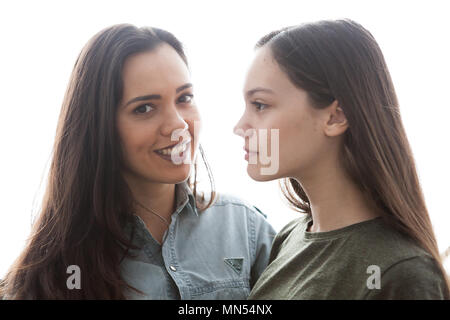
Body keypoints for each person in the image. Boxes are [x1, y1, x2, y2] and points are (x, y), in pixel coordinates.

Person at [0, 24, 275, 299]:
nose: (178, 125)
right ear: (101, 127)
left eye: (184, 98)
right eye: (144, 108)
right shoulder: (55, 273)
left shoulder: (245, 227)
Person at [234, 19, 449, 299]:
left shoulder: (403, 273)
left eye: (260, 105)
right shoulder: (289, 238)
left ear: (337, 116)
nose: (240, 126)